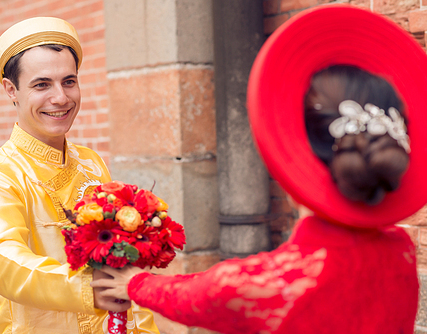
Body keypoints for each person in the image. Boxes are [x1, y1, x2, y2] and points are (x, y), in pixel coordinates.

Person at [91, 5, 427, 334]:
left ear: (302, 148)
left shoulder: (279, 280)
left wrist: (134, 282)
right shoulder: (401, 249)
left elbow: (201, 295)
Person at [0, 17, 159, 334]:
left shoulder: (91, 163)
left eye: (69, 81)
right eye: (42, 85)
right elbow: (3, 264)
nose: (61, 98)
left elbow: (119, 261)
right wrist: (89, 289)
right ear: (10, 90)